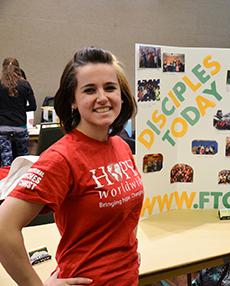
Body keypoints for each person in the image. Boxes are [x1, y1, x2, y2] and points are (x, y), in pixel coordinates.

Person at [0, 47, 144, 285]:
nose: (102, 97)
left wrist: (126, 254)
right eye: (89, 90)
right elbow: (4, 227)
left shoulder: (122, 147)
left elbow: (127, 212)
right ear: (73, 101)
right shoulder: (61, 158)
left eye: (110, 87)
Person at [0, 57, 37, 167]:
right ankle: (21, 182)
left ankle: (6, 181)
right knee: (23, 160)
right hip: (20, 126)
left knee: (6, 161)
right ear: (18, 68)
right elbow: (33, 106)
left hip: (2, 128)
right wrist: (20, 109)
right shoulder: (25, 84)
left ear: (3, 68)